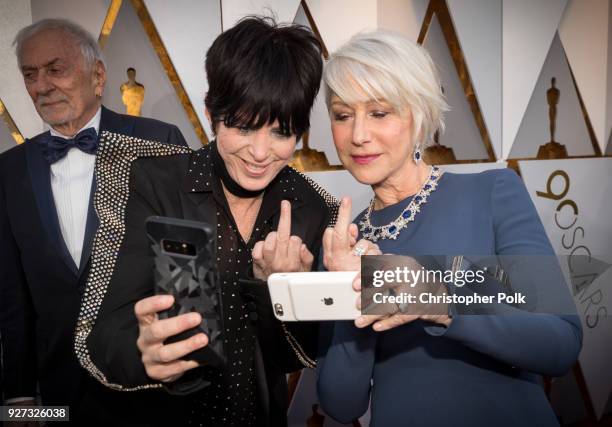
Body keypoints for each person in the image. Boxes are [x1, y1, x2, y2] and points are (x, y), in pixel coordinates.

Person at [77, 17, 337, 427]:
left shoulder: (311, 206)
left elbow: (296, 356)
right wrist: (142, 351)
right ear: (211, 113)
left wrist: (282, 292)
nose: (260, 152)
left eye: (281, 131)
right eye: (243, 126)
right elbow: (100, 330)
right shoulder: (150, 180)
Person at [316, 31, 582, 426]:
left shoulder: (491, 193)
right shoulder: (344, 246)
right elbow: (342, 404)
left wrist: (440, 301)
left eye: (379, 112)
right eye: (342, 115)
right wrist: (354, 296)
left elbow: (560, 345)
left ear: (418, 113)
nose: (357, 135)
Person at [0, 18, 187, 423]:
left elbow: (185, 270)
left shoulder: (159, 142)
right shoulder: (8, 170)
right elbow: (13, 298)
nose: (42, 86)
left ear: (98, 75)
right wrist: (17, 399)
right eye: (30, 75)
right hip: (58, 396)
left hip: (151, 388)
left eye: (56, 68)